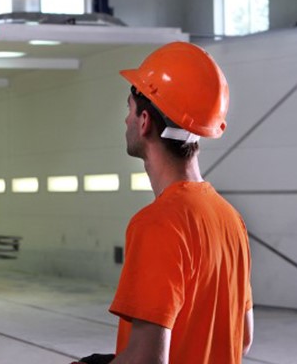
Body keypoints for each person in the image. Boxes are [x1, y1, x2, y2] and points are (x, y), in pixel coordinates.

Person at [76, 42, 253, 364]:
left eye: (129, 110)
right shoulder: (231, 219)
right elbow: (243, 340)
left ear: (144, 121)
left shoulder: (158, 224)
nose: (125, 121)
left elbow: (147, 360)